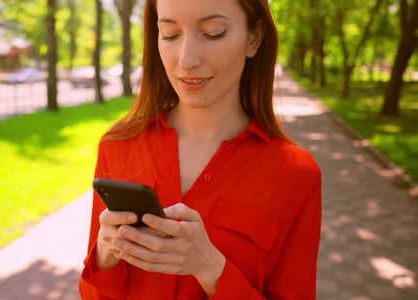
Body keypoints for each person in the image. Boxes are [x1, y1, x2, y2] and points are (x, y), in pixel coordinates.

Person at [79, 0, 322, 299]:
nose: (186, 60)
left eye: (213, 32)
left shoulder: (295, 172)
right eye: (169, 34)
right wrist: (105, 255)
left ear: (254, 38)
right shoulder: (118, 147)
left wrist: (211, 269)